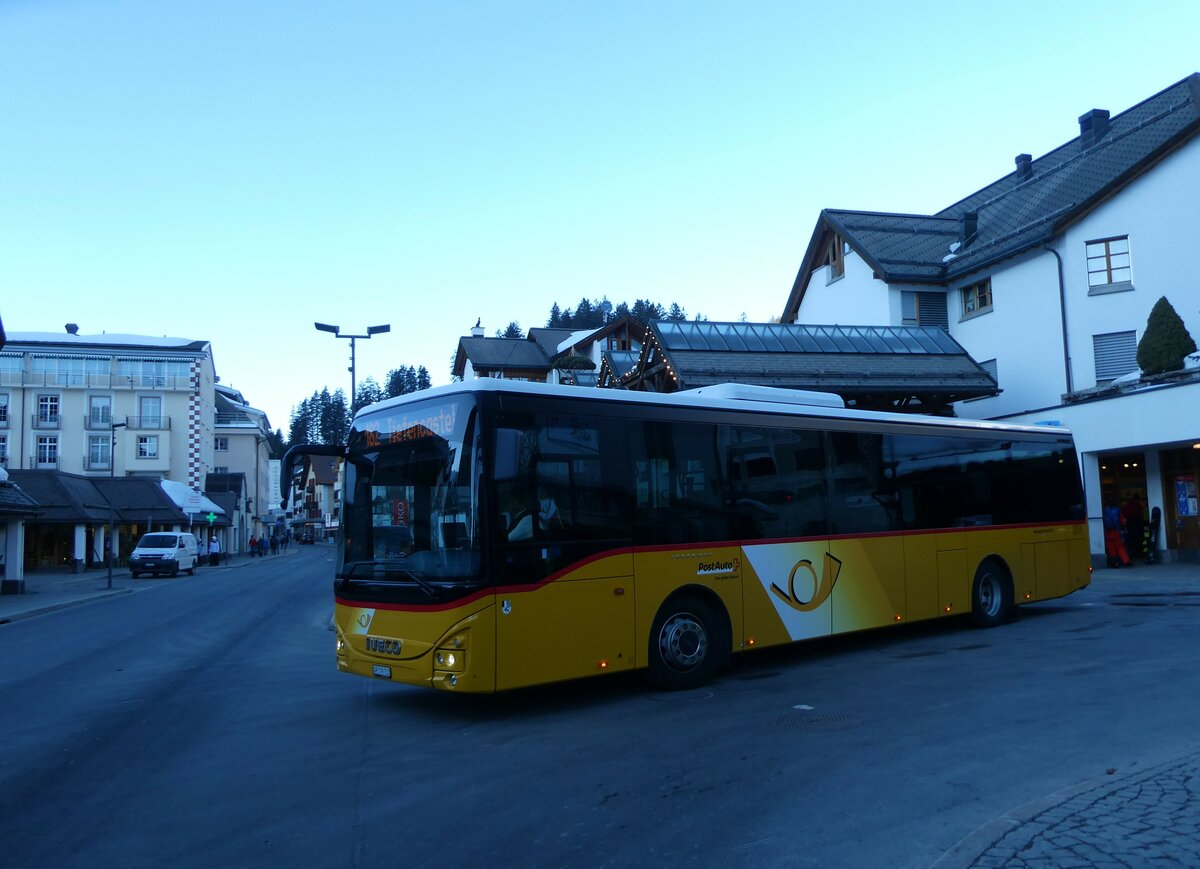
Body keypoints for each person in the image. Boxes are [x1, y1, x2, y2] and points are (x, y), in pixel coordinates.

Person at [1103, 500, 1130, 567]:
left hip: (1108, 533)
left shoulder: (1104, 511)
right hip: (1116, 532)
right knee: (1120, 548)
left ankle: (1115, 563)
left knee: (1111, 549)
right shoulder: (1117, 510)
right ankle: (1126, 561)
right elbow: (1122, 521)